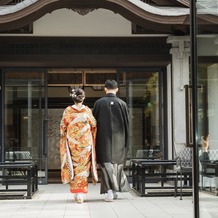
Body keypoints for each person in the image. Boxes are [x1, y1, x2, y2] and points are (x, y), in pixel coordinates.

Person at [92, 79, 130, 202]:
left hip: (103, 139)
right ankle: (114, 191)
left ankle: (109, 192)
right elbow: (127, 124)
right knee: (117, 166)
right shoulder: (122, 104)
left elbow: (93, 122)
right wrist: (126, 141)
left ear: (105, 89)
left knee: (106, 165)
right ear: (117, 89)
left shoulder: (99, 103)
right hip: (120, 139)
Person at [59, 88, 98, 204]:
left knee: (74, 166)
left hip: (73, 143)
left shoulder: (68, 111)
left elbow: (62, 127)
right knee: (83, 167)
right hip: (86, 144)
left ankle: (77, 193)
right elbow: (94, 125)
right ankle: (80, 193)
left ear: (73, 98)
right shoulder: (87, 111)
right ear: (84, 97)